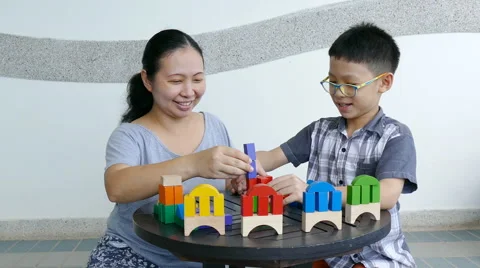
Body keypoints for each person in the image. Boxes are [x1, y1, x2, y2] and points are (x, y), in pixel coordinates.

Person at [231, 22, 418, 268]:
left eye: (350, 85)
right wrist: (243, 167)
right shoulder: (319, 130)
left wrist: (313, 193)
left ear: (384, 83)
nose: (339, 93)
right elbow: (272, 157)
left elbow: (387, 195)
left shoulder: (395, 136)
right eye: (332, 82)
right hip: (326, 251)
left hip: (375, 255)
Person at [86, 29, 257, 268]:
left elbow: (220, 185)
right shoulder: (130, 135)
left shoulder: (214, 125)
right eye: (176, 81)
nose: (189, 91)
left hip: (204, 256)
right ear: (148, 80)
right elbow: (116, 187)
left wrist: (236, 183)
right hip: (136, 253)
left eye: (197, 79)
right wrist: (194, 164)